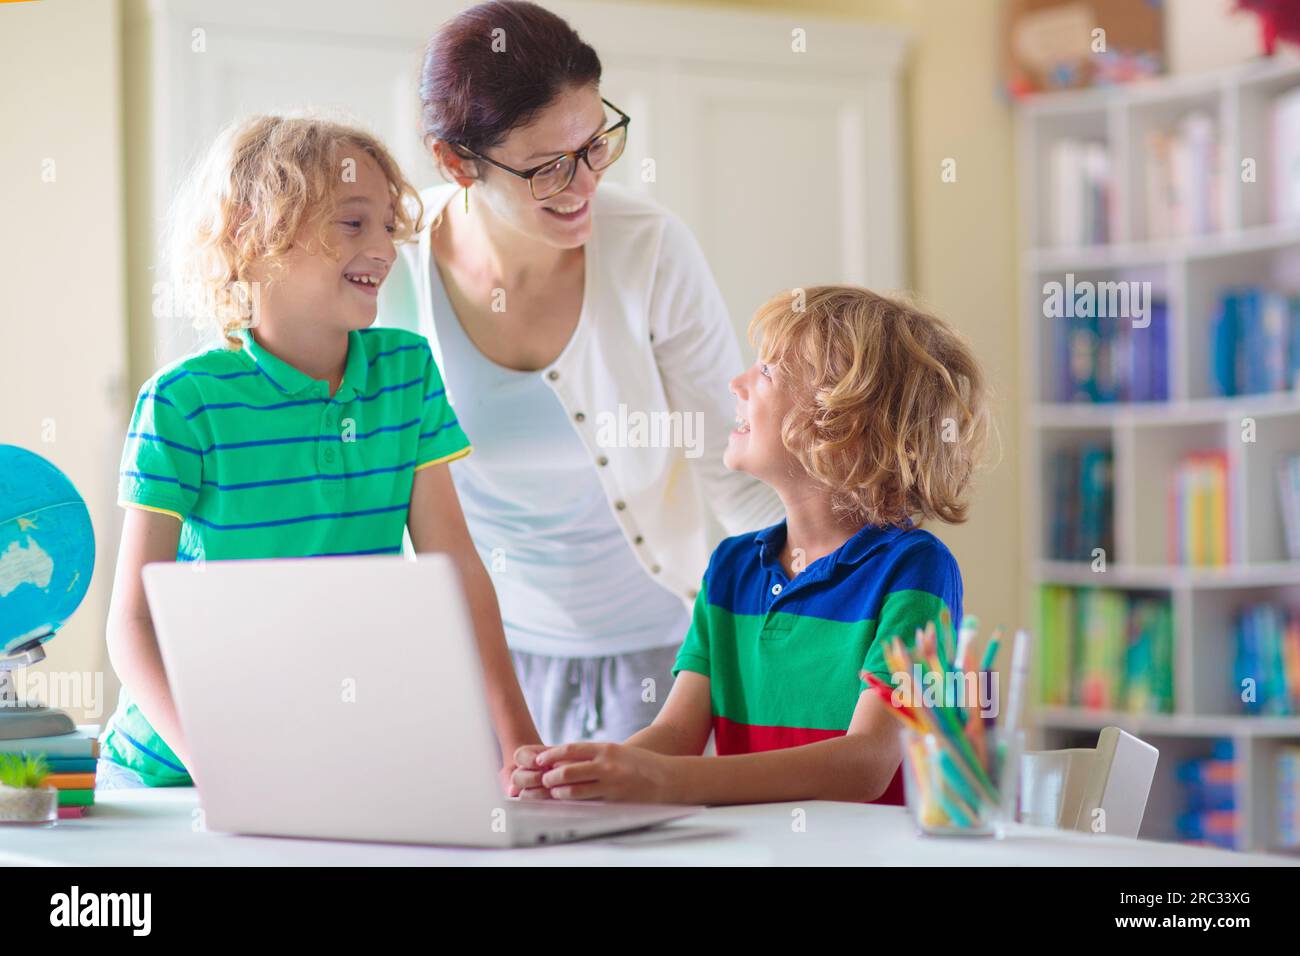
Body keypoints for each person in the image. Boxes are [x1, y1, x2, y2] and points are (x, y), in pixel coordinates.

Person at [378, 0, 781, 744]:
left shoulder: (649, 248)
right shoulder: (392, 260)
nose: (585, 181)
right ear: (455, 160)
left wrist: (848, 591)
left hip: (656, 652)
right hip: (476, 661)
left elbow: (736, 470)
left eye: (596, 144)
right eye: (547, 167)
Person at [99, 114, 539, 790]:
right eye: (353, 223)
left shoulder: (405, 372)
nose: (384, 249)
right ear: (255, 233)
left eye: (389, 225)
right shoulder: (184, 402)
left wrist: (519, 745)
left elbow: (457, 570)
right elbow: (132, 621)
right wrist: (217, 767)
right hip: (176, 773)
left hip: (335, 750)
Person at [511, 286, 990, 804]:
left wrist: (663, 781)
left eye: (768, 372)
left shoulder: (915, 569)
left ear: (842, 423)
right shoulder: (730, 569)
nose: (737, 383)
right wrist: (592, 771)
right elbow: (675, 737)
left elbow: (865, 763)